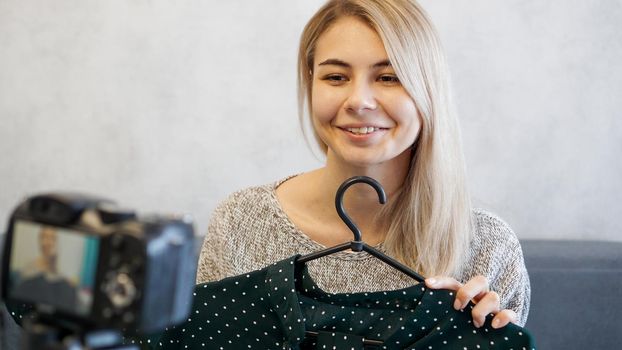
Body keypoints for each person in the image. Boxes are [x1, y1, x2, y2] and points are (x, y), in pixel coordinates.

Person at [197, 0, 530, 329]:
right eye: (336, 77)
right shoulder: (239, 222)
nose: (359, 101)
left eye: (388, 77)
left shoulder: (488, 248)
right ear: (311, 82)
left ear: (427, 90)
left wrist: (478, 337)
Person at [11, 226, 77, 313]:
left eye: (52, 238)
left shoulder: (59, 271)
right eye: (45, 237)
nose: (48, 242)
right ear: (40, 241)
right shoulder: (29, 266)